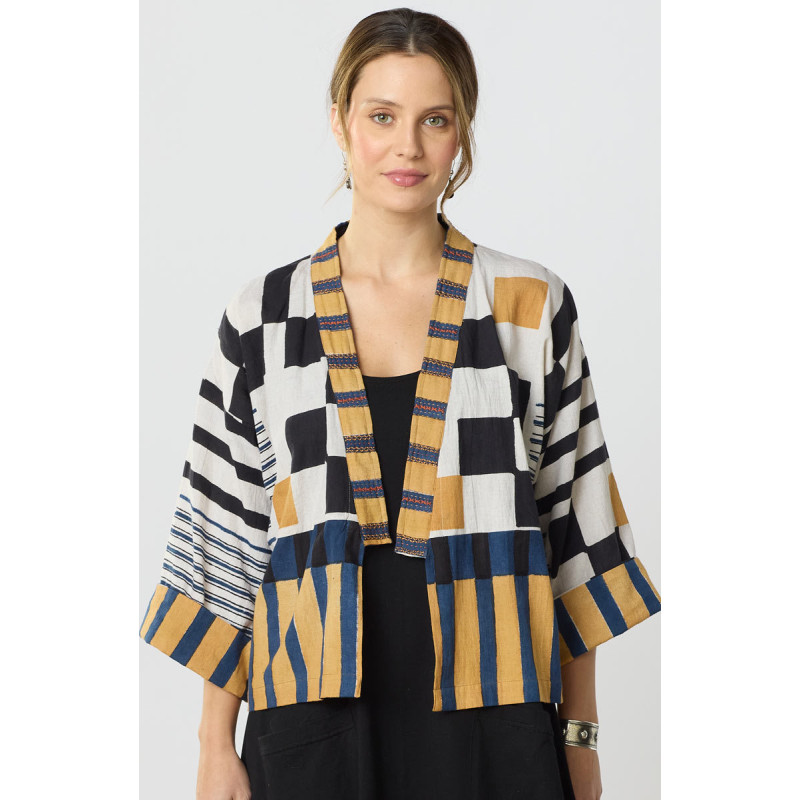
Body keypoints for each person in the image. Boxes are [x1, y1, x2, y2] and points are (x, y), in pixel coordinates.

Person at [139, 8, 661, 799]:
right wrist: (215, 745)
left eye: (434, 119)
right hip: (313, 721)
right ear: (340, 122)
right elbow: (228, 538)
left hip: (498, 727)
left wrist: (580, 740)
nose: (407, 146)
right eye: (382, 116)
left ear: (462, 133)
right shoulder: (264, 318)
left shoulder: (529, 307)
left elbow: (575, 539)